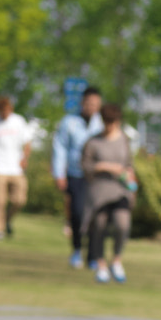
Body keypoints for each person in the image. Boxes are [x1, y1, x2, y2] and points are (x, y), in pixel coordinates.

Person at [81, 102, 135, 284]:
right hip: (99, 191)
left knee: (122, 224)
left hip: (120, 190)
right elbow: (85, 167)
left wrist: (130, 178)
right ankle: (101, 264)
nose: (110, 125)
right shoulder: (93, 142)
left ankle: (117, 260)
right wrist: (104, 166)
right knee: (99, 226)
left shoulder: (124, 140)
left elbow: (129, 165)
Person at [53, 88, 103, 269]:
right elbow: (60, 148)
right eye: (89, 103)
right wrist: (59, 173)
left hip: (97, 176)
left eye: (95, 104)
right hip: (75, 173)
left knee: (97, 217)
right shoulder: (69, 122)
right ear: (82, 103)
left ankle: (93, 255)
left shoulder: (103, 124)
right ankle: (76, 249)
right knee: (77, 213)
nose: (91, 107)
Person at [0, 96, 33, 240]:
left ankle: (7, 220)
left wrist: (25, 158)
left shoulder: (19, 121)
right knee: (0, 202)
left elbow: (27, 143)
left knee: (20, 200)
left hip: (16, 168)